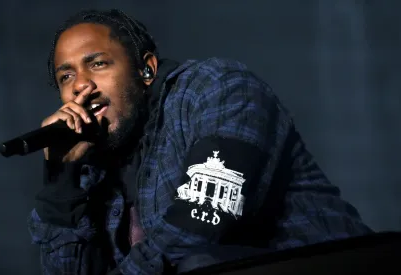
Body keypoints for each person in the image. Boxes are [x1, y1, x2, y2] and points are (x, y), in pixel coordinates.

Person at [28, 9, 372, 275]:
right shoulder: (92, 155)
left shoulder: (218, 88)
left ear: (146, 70)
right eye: (67, 76)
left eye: (98, 64)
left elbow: (201, 222)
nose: (80, 86)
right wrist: (61, 177)